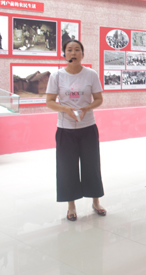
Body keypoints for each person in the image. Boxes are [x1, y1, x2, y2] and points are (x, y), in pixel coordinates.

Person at [45, 40, 105, 221]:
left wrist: (87, 108)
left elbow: (99, 99)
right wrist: (65, 109)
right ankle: (71, 206)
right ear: (64, 54)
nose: (73, 53)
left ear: (83, 54)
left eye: (77, 50)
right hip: (65, 129)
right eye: (69, 50)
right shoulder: (56, 76)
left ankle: (96, 202)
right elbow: (49, 102)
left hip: (88, 127)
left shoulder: (91, 74)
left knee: (92, 165)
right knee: (67, 168)